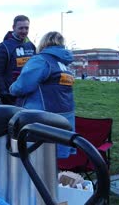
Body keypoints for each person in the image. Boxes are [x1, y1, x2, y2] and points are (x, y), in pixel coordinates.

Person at [9, 31, 76, 159]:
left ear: (43, 43)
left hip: (41, 120)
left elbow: (23, 86)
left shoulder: (41, 60)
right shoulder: (64, 65)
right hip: (64, 120)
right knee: (52, 164)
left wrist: (11, 88)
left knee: (36, 162)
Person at [0, 15, 36, 105]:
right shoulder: (4, 46)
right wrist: (4, 94)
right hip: (10, 97)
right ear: (13, 28)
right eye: (21, 28)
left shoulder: (31, 46)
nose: (24, 31)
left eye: (26, 28)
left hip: (28, 96)